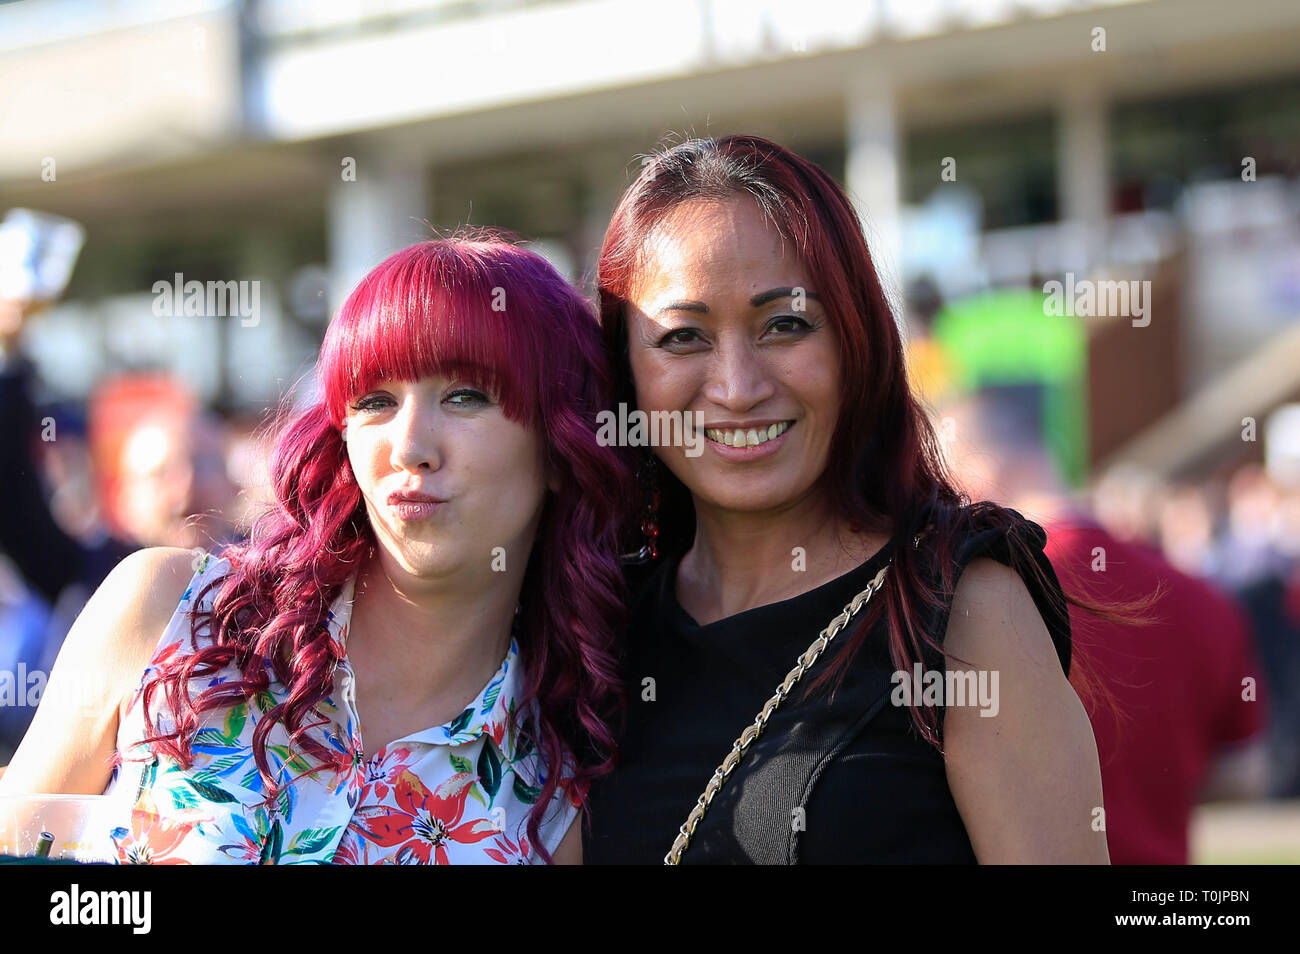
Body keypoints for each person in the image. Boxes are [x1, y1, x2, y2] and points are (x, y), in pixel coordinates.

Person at [0, 235, 632, 864]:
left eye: (467, 396)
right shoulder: (168, 613)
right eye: (376, 400)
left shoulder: (546, 801)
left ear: (561, 444)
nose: (409, 446)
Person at [583, 135, 1112, 864]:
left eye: (786, 324)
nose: (737, 387)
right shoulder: (601, 628)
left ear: (856, 341)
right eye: (682, 337)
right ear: (624, 372)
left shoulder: (957, 603)